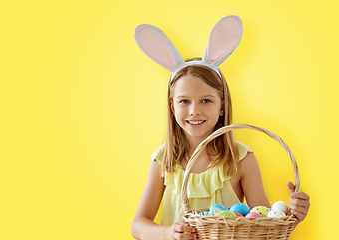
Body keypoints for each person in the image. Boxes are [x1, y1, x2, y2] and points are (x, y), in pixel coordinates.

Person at [131, 16, 310, 240]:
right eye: (184, 101)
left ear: (222, 106)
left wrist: (291, 215)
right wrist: (169, 233)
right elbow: (138, 225)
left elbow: (264, 222)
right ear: (172, 107)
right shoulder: (163, 161)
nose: (194, 110)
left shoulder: (241, 159)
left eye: (206, 101)